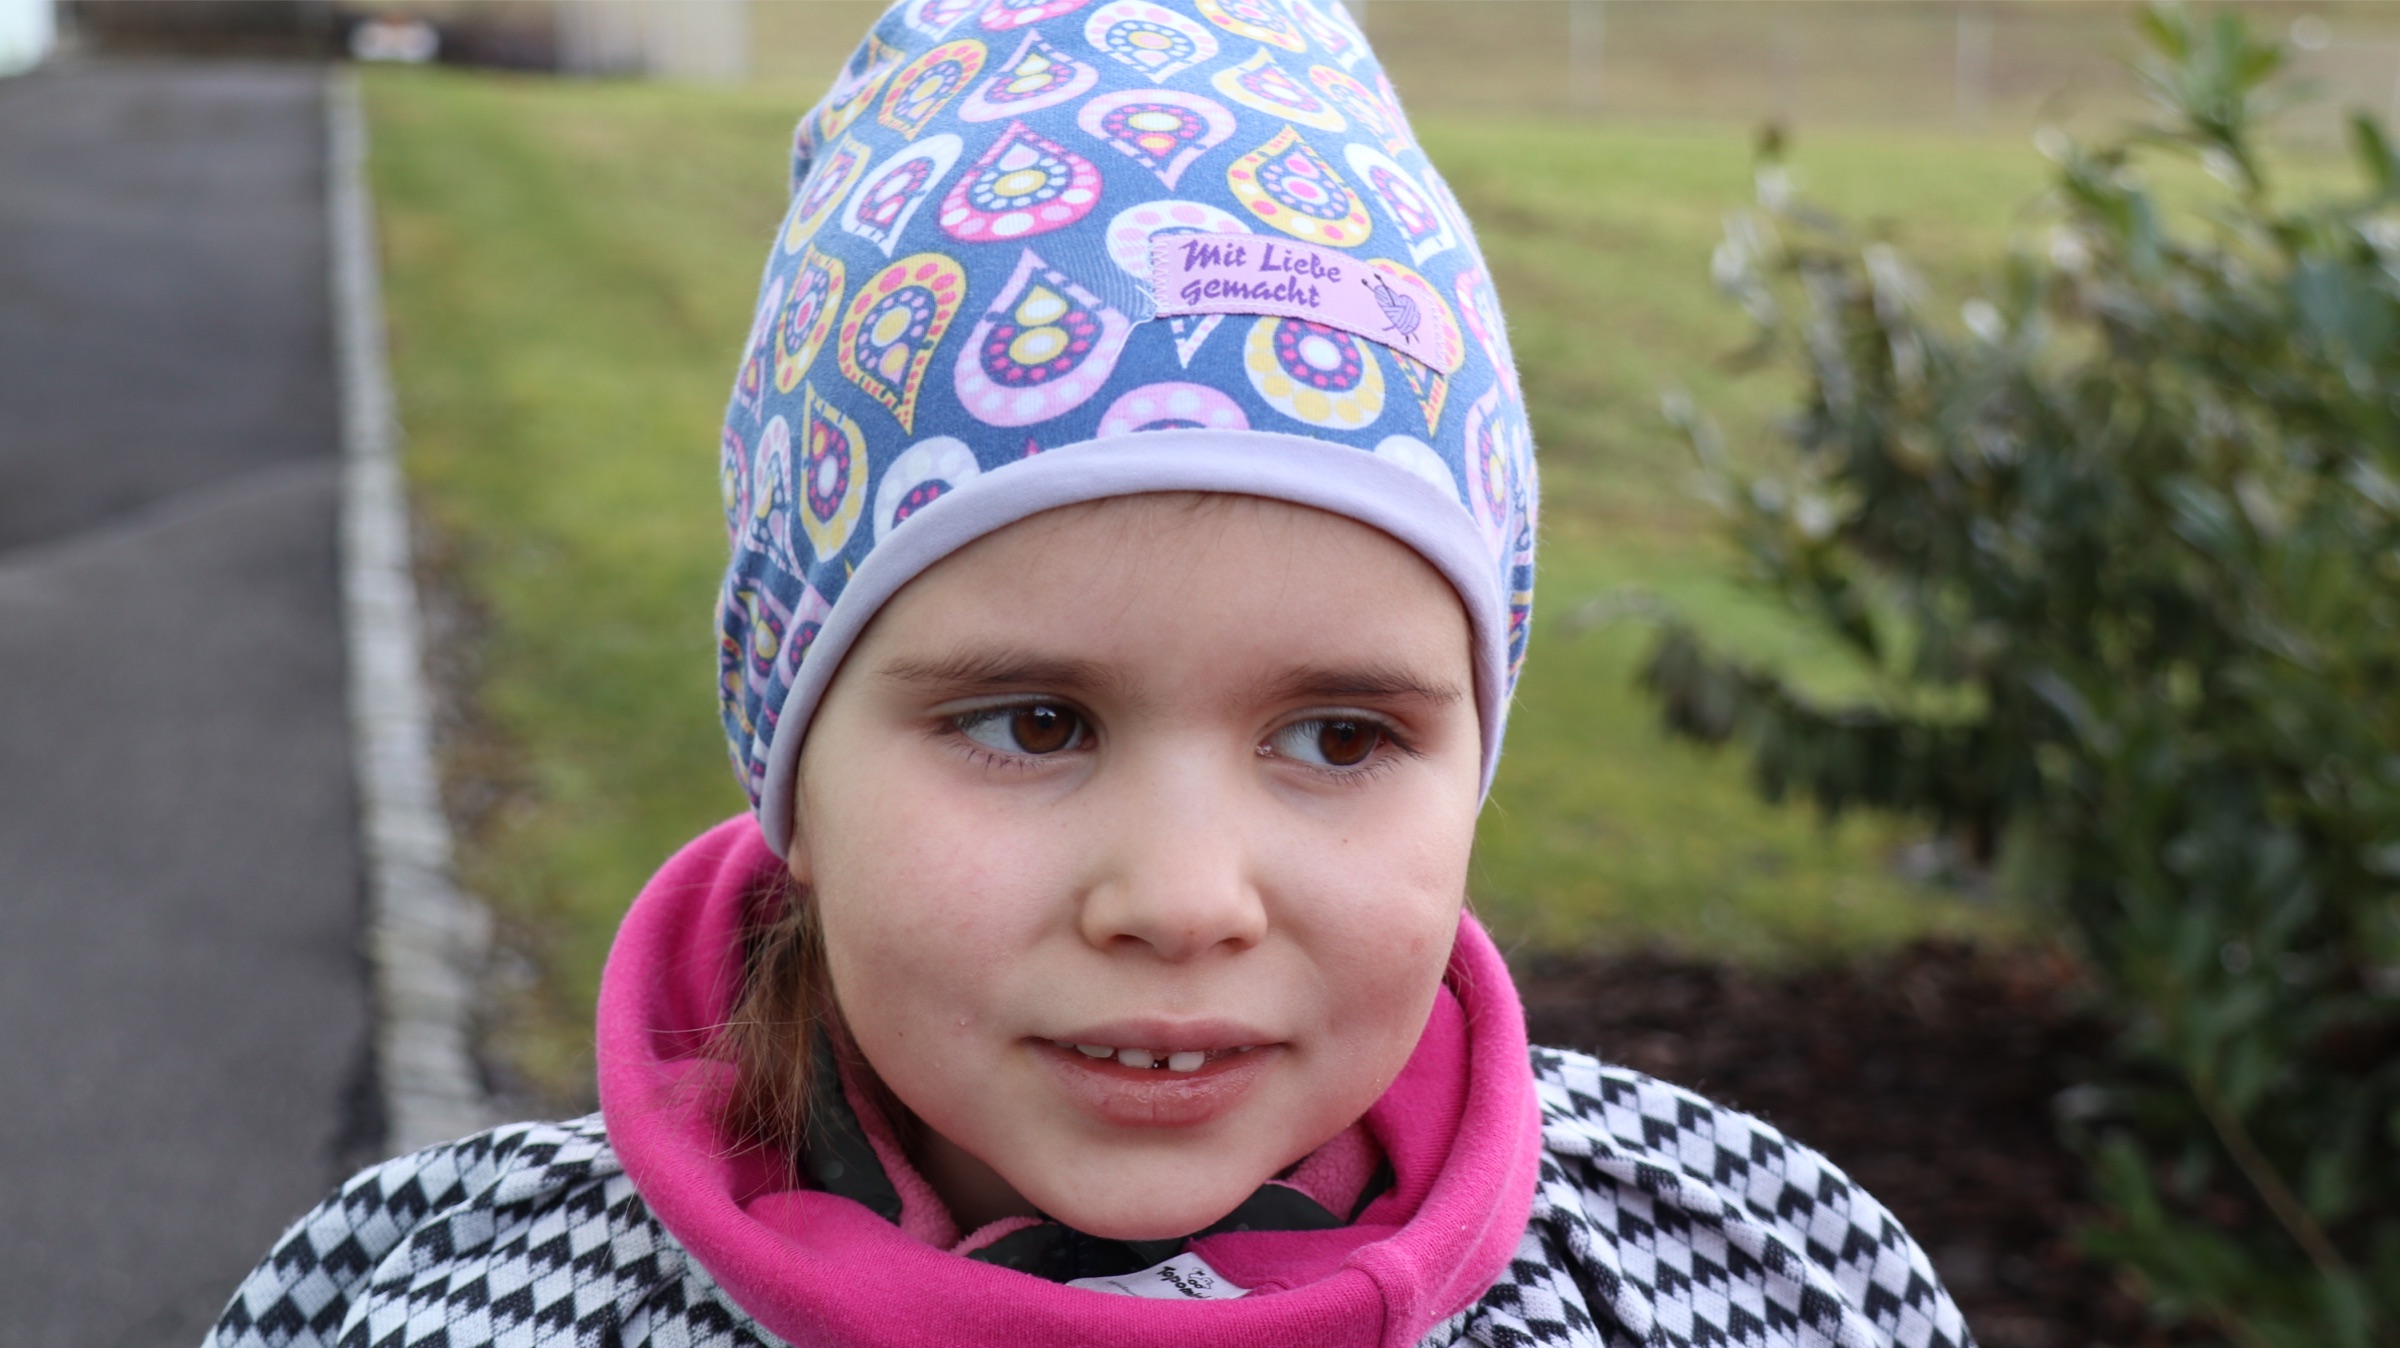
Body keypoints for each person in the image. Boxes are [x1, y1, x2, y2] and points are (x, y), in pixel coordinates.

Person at [207, 1, 1973, 1344]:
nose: (1185, 902)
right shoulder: (430, 1305)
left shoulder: (1767, 1284)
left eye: (1339, 737)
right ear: (789, 749)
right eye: (1036, 722)